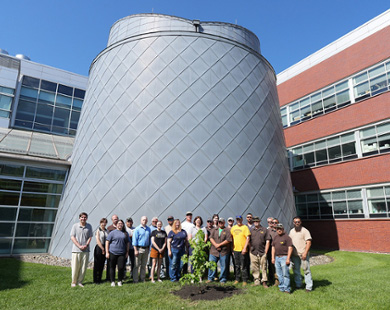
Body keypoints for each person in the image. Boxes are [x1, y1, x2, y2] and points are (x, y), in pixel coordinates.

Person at [289, 217, 313, 292]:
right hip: (295, 255)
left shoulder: (305, 231)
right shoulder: (292, 231)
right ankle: (298, 285)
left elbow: (308, 242)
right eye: (295, 222)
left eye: (298, 222)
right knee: (296, 271)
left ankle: (308, 287)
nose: (297, 223)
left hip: (303, 254)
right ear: (293, 223)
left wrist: (305, 253)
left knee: (306, 270)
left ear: (300, 222)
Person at [70, 212, 93, 287]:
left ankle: (80, 281)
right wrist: (79, 246)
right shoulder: (75, 226)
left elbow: (90, 237)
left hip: (86, 250)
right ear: (79, 218)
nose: (83, 218)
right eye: (82, 217)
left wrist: (86, 245)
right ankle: (73, 282)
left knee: (83, 267)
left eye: (85, 217)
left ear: (87, 218)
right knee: (75, 267)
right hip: (76, 250)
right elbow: (72, 237)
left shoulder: (89, 226)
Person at [207, 218, 232, 284]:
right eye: (219, 222)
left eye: (222, 222)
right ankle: (210, 278)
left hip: (223, 251)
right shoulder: (214, 230)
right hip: (213, 251)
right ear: (218, 223)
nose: (220, 223)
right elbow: (211, 238)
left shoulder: (227, 230)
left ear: (224, 223)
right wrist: (215, 245)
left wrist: (219, 245)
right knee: (211, 264)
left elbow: (228, 240)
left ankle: (222, 279)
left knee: (223, 266)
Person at [106, 220, 129, 287]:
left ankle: (119, 281)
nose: (120, 225)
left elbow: (127, 243)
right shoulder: (112, 233)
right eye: (119, 223)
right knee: (112, 267)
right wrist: (107, 252)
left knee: (121, 267)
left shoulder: (125, 233)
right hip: (113, 252)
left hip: (121, 253)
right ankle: (112, 281)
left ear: (123, 225)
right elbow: (107, 242)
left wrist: (127, 252)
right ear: (116, 225)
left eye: (121, 223)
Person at [249, 216, 271, 287]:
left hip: (262, 252)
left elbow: (268, 241)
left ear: (259, 221)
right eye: (254, 221)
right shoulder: (251, 230)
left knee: (264, 267)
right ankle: (257, 281)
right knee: (254, 267)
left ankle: (264, 281)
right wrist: (250, 249)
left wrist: (266, 251)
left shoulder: (264, 230)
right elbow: (249, 241)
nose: (256, 222)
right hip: (253, 252)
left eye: (257, 221)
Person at [272, 223, 293, 294]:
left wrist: (288, 258)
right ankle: (281, 288)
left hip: (284, 257)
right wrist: (273, 258)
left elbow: (290, 248)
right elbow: (273, 248)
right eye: (277, 229)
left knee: (285, 274)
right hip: (277, 258)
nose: (279, 230)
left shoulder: (287, 237)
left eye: (280, 229)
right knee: (279, 274)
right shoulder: (275, 237)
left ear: (283, 229)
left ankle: (287, 289)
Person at [231, 215, 251, 286]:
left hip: (242, 250)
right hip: (235, 249)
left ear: (242, 220)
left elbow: (248, 238)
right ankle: (237, 279)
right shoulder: (233, 228)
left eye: (239, 219)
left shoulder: (245, 227)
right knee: (236, 266)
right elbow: (231, 238)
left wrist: (245, 248)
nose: (238, 221)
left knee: (243, 265)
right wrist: (232, 249)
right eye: (237, 219)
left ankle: (244, 280)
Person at [132, 216, 151, 283]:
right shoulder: (137, 229)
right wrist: (135, 250)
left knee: (143, 265)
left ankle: (142, 278)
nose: (144, 221)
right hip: (139, 249)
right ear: (141, 221)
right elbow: (134, 240)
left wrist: (148, 249)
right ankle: (135, 280)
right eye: (143, 220)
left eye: (145, 220)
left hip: (146, 249)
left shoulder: (148, 229)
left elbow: (149, 239)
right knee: (136, 265)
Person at [93, 218, 108, 284]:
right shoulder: (98, 230)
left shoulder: (107, 231)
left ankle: (100, 278)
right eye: (102, 222)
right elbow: (98, 240)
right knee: (97, 264)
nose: (103, 224)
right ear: (100, 223)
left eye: (105, 222)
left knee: (102, 263)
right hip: (99, 247)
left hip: (105, 246)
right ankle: (95, 279)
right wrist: (102, 248)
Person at [267, 218, 279, 286]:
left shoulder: (280, 230)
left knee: (278, 265)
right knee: (271, 265)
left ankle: (278, 280)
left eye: (275, 223)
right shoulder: (268, 231)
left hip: (279, 251)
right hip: (271, 251)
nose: (274, 224)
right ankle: (272, 278)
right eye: (272, 222)